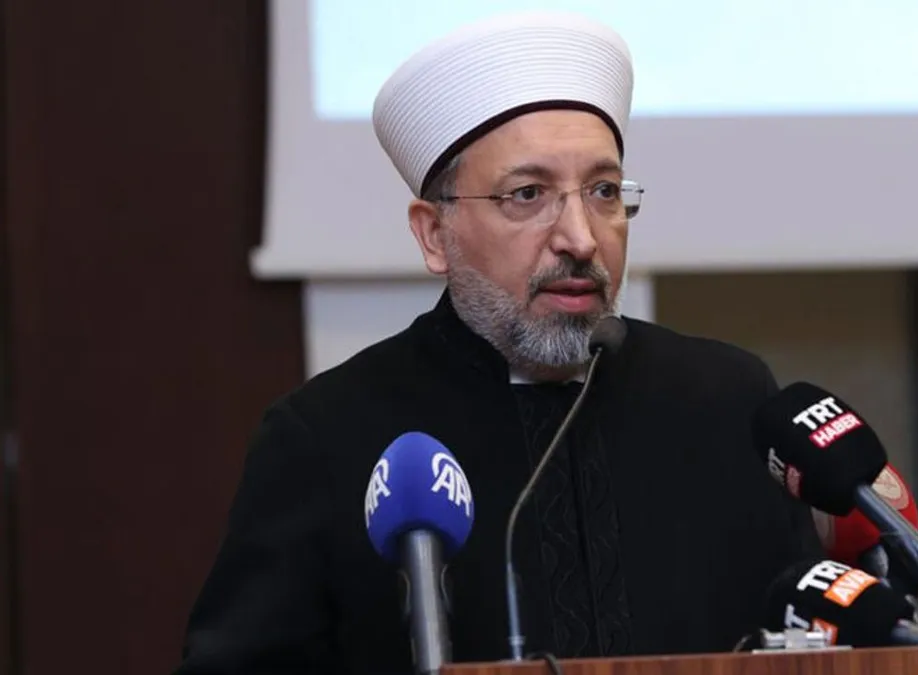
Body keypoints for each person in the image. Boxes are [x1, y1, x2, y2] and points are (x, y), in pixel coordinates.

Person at [175, 11, 822, 674]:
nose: (580, 237)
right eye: (528, 194)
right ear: (434, 234)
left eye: (603, 191)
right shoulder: (328, 436)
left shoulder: (725, 400)